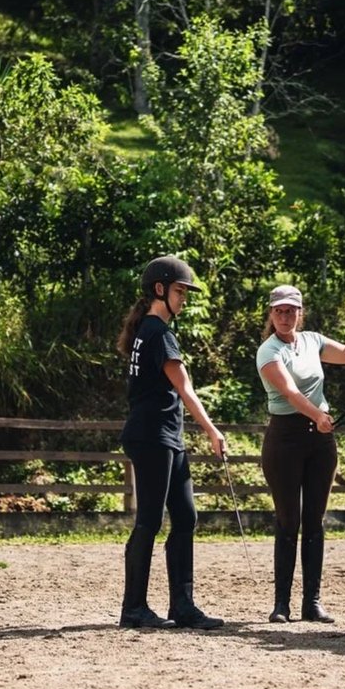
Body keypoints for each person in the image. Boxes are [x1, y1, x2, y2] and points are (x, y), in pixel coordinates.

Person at [116, 255, 228, 630]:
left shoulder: (149, 331)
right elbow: (186, 390)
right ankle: (133, 608)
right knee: (149, 518)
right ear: (159, 289)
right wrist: (212, 431)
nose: (184, 298)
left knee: (185, 516)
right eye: (180, 291)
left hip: (167, 436)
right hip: (153, 436)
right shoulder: (158, 334)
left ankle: (183, 605)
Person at [255, 284, 345, 623]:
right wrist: (318, 416)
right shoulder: (268, 352)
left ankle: (312, 602)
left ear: (300, 312)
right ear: (271, 314)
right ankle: (281, 604)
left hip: (319, 442)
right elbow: (290, 392)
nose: (284, 316)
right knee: (287, 520)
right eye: (279, 311)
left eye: (290, 310)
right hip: (285, 440)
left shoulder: (312, 341)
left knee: (314, 521)